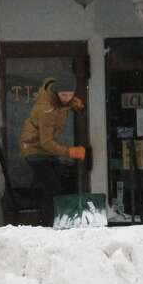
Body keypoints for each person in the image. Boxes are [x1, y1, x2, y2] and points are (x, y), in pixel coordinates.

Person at [19, 78, 85, 226]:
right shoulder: (46, 109)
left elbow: (66, 104)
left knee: (57, 184)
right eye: (64, 95)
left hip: (46, 152)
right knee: (52, 187)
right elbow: (46, 142)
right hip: (33, 149)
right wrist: (70, 152)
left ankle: (52, 219)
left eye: (70, 94)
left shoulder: (60, 102)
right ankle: (47, 224)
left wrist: (76, 105)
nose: (67, 98)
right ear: (56, 93)